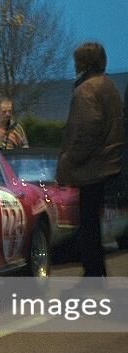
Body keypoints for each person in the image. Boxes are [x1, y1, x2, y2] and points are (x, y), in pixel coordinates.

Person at [57, 42, 125, 277]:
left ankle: (93, 278)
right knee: (92, 228)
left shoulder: (86, 91)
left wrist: (68, 160)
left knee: (88, 229)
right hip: (106, 164)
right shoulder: (109, 87)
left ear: (84, 63)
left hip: (91, 169)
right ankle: (95, 275)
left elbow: (84, 132)